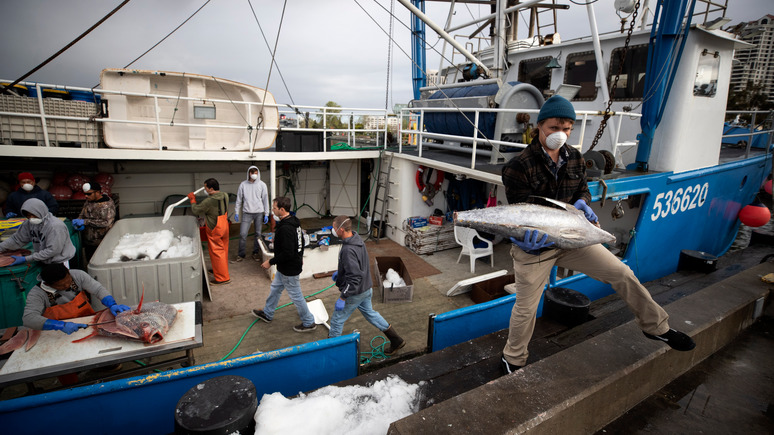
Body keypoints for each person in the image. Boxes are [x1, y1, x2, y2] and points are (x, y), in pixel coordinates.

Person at [499, 95, 695, 375]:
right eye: (554, 127)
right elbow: (519, 211)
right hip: (536, 246)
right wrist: (523, 239)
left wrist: (583, 204)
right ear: (539, 126)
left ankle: (656, 328)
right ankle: (513, 359)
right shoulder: (519, 165)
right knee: (526, 306)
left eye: (567, 128)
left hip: (572, 238)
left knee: (622, 273)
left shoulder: (576, 157)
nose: (561, 134)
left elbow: (582, 190)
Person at [328, 215, 405, 354]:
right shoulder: (358, 240)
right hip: (366, 288)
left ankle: (331, 352)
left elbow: (355, 277)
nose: (332, 230)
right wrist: (341, 273)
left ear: (341, 229)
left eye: (334, 228)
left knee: (337, 320)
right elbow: (358, 266)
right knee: (371, 314)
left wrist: (343, 297)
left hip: (356, 292)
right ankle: (396, 340)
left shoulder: (347, 250)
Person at [251, 197, 317, 333]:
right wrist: (299, 256)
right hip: (287, 266)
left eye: (274, 208)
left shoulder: (286, 229)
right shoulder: (294, 223)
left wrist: (270, 262)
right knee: (275, 288)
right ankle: (268, 313)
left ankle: (309, 321)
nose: (272, 211)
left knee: (296, 295)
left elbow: (287, 253)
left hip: (289, 268)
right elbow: (300, 243)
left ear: (282, 210)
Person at [22, 263, 130, 334]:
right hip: (58, 332)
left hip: (87, 323)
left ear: (68, 273)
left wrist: (112, 304)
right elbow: (29, 318)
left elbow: (97, 289)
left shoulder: (78, 275)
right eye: (61, 285)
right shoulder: (37, 294)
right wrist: (60, 325)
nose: (66, 286)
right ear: (48, 284)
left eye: (68, 281)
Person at [0, 198, 76, 267]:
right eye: (28, 216)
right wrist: (1, 247)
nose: (31, 218)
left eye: (33, 215)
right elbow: (16, 239)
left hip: (59, 261)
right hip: (43, 259)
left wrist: (26, 259)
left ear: (40, 211)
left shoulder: (55, 226)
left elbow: (53, 250)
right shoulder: (28, 224)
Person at [189, 178, 230, 285]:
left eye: (206, 187)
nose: (205, 189)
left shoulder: (209, 201)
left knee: (217, 251)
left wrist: (192, 200)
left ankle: (222, 278)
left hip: (215, 227)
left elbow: (196, 210)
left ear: (211, 189)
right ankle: (220, 269)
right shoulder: (225, 195)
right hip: (224, 225)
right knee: (223, 249)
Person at [232, 165, 269, 263]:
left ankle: (255, 253)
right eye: (252, 173)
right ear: (249, 173)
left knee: (258, 234)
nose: (254, 175)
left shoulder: (262, 185)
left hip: (259, 212)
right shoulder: (243, 185)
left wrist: (266, 213)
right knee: (243, 234)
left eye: (256, 173)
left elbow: (265, 200)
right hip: (247, 213)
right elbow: (239, 199)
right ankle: (241, 254)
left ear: (258, 174)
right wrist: (236, 212)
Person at [72, 181, 116, 262]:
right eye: (85, 193)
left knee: (100, 262)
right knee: (90, 261)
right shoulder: (89, 200)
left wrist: (85, 222)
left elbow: (106, 222)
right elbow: (83, 212)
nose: (86, 196)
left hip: (101, 242)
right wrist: (79, 220)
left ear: (98, 192)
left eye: (89, 194)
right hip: (89, 241)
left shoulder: (106, 205)